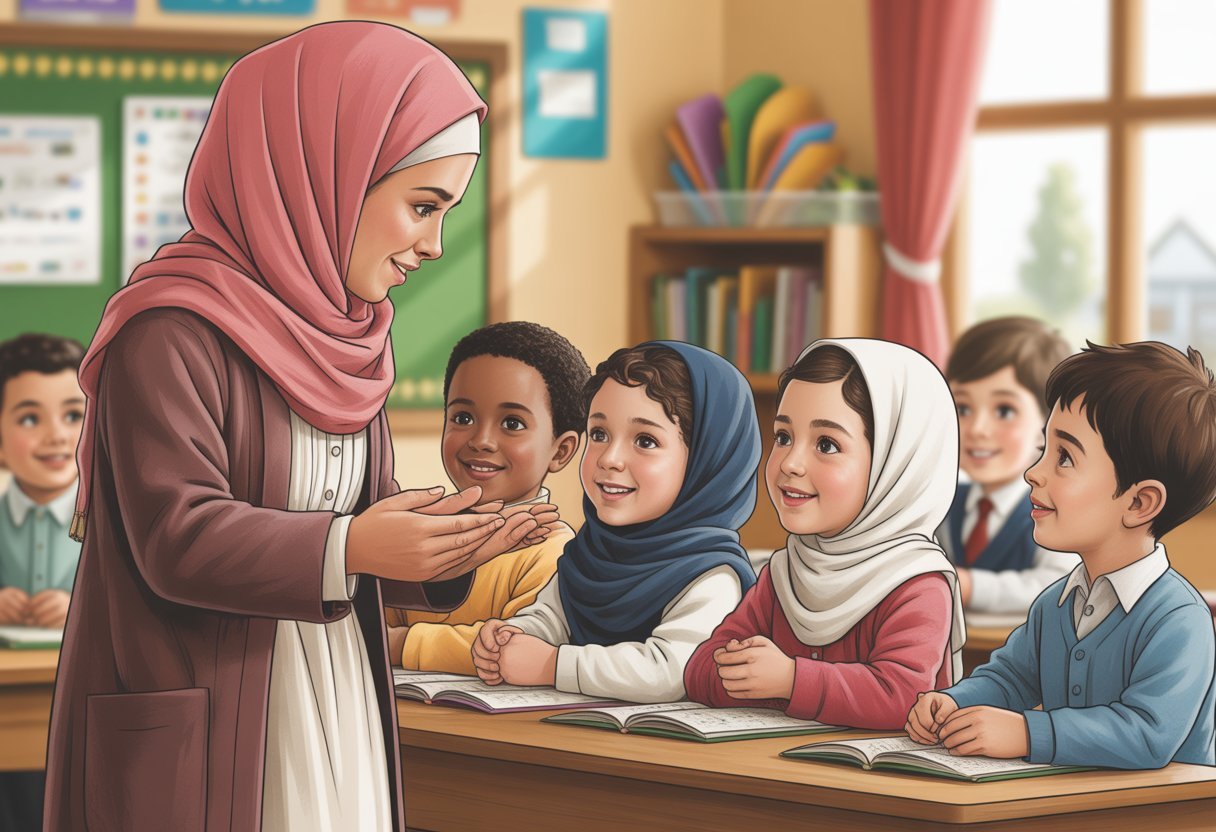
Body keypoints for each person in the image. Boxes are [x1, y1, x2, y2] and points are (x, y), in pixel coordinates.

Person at [44, 22, 551, 831]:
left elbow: (366, 515)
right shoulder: (170, 334)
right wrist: (351, 547)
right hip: (214, 724)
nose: (434, 244)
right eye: (422, 206)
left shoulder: (350, 338)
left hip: (334, 692)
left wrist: (451, 548)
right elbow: (177, 537)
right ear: (328, 176)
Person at [908, 342, 1216, 769]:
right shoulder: (1055, 605)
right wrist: (951, 702)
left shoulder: (1179, 619)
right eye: (1043, 450)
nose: (1033, 472)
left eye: (1065, 457)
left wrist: (1025, 732)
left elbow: (1148, 734)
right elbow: (1011, 678)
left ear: (1139, 503)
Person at [684, 339, 965, 730]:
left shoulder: (916, 583)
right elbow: (699, 670)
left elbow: (902, 698)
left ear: (895, 464)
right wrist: (757, 676)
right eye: (783, 437)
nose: (791, 464)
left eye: (827, 444)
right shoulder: (784, 573)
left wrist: (788, 680)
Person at [472, 342, 760, 703]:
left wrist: (551, 665)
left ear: (708, 462)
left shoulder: (712, 576)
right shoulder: (589, 553)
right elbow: (551, 617)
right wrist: (512, 636)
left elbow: (670, 671)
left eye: (645, 440)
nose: (610, 458)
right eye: (599, 434)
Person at [385, 321, 588, 675]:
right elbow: (369, 625)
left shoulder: (552, 551)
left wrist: (402, 644)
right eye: (462, 417)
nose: (481, 440)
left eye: (512, 423)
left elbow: (518, 648)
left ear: (561, 450)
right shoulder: (419, 532)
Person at [0, 333, 84, 832]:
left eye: (73, 416)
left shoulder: (117, 518)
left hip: (82, 702)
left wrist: (81, 607)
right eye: (30, 418)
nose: (56, 435)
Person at [939, 316, 1077, 614]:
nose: (978, 429)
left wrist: (968, 586)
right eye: (963, 408)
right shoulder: (944, 504)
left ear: (1049, 422)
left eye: (1004, 410)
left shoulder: (1058, 508)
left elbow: (1059, 585)